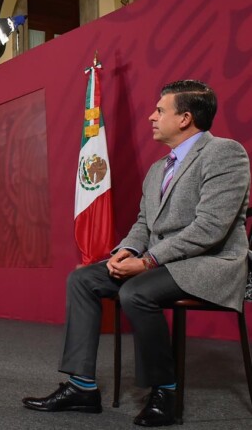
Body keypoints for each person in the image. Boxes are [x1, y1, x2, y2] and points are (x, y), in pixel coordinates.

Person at [23, 80, 250, 427]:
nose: (151, 117)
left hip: (209, 263)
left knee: (136, 291)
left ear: (186, 118)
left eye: (160, 110)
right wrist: (125, 251)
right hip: (161, 263)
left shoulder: (225, 153)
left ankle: (165, 392)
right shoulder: (159, 168)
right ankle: (82, 388)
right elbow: (144, 223)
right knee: (83, 278)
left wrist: (146, 261)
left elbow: (210, 229)